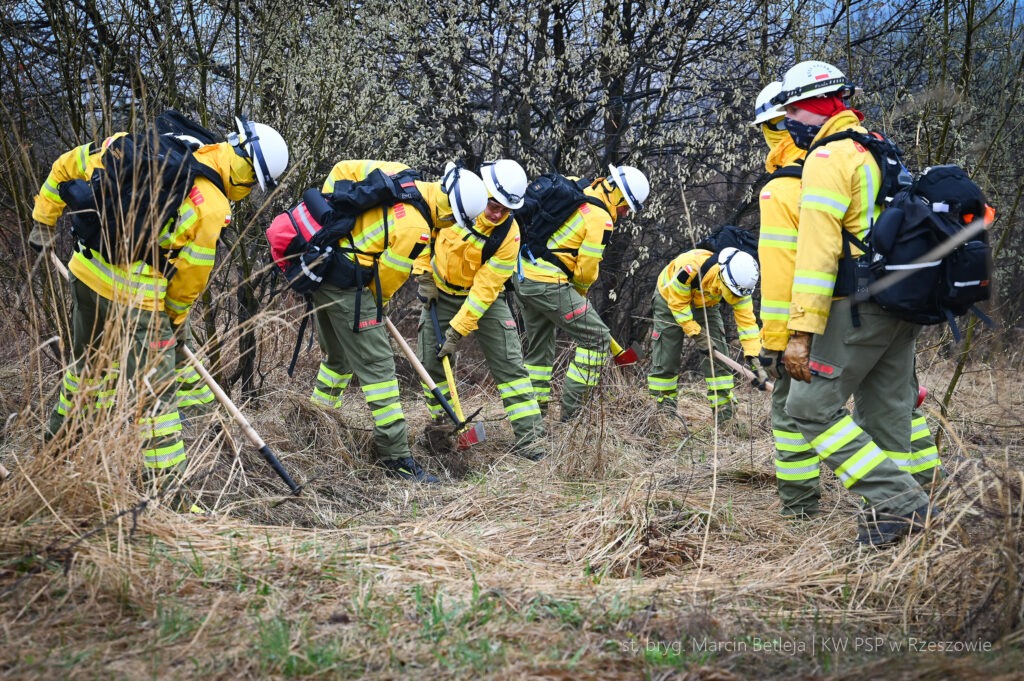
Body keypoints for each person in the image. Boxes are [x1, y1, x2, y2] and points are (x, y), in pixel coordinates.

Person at [30, 116, 289, 510]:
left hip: (85, 275)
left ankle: (54, 456)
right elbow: (189, 279)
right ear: (247, 171)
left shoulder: (142, 144)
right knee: (156, 401)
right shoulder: (212, 204)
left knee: (87, 371)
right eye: (253, 184)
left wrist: (43, 222)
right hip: (137, 302)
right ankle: (172, 501)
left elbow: (67, 164)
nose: (249, 191)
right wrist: (174, 322)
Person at [774, 60, 933, 545]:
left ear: (817, 105)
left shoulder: (827, 158)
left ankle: (901, 505)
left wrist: (800, 332)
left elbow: (817, 253)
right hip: (901, 303)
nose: (788, 124)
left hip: (856, 307)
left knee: (808, 408)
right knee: (888, 416)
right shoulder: (878, 148)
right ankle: (896, 529)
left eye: (792, 113)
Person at [308, 160, 488, 482]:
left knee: (337, 360)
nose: (450, 225)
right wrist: (378, 308)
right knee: (380, 371)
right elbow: (386, 279)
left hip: (323, 267)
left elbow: (342, 168)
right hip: (351, 287)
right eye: (454, 220)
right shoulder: (416, 228)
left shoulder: (403, 176)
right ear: (450, 212)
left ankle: (314, 425)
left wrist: (333, 219)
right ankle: (396, 457)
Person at [413, 159, 547, 460]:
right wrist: (424, 275)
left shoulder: (509, 235)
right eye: (493, 205)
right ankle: (444, 434)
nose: (497, 214)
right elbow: (422, 232)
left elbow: (485, 290)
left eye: (505, 209)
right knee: (431, 363)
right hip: (439, 293)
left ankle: (531, 441)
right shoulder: (455, 200)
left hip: (485, 300)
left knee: (510, 364)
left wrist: (457, 331)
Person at [515, 165, 649, 422]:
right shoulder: (601, 219)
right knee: (597, 339)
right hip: (547, 283)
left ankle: (533, 419)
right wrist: (580, 292)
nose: (625, 213)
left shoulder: (578, 185)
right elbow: (586, 270)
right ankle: (572, 416)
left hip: (522, 275)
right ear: (619, 196)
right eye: (626, 207)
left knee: (540, 351)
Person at [752, 81, 819, 516]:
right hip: (881, 310)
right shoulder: (853, 161)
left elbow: (780, 275)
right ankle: (918, 495)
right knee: (891, 408)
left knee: (792, 411)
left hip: (807, 320)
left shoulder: (781, 189)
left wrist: (775, 343)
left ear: (775, 127)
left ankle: (799, 508)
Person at [647, 246, 765, 426]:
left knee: (719, 355)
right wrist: (698, 334)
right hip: (669, 298)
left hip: (705, 304)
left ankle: (725, 415)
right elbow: (678, 305)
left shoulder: (742, 288)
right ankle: (663, 412)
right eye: (732, 293)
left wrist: (754, 356)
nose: (736, 298)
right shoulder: (689, 268)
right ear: (722, 278)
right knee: (667, 357)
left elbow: (747, 325)